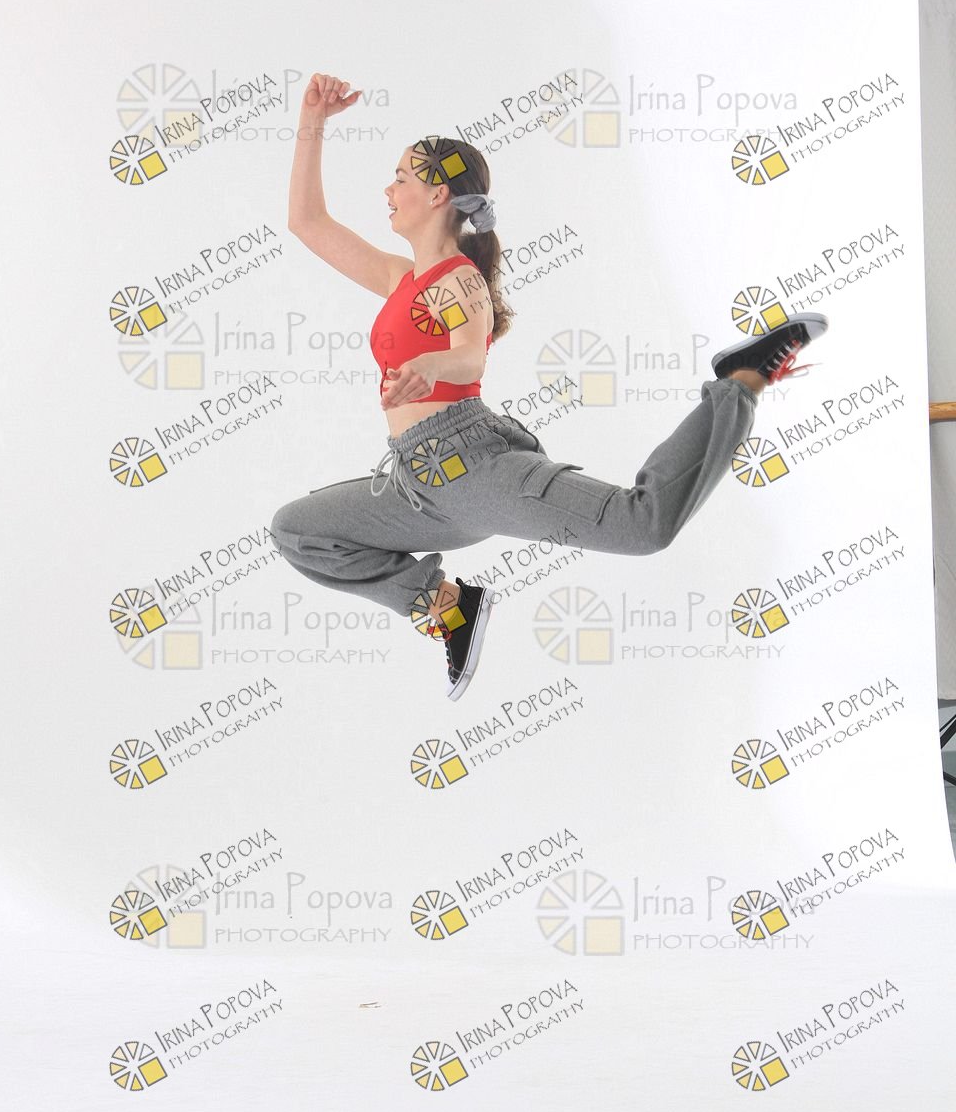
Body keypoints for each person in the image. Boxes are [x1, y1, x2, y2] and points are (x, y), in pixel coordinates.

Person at [271, 72, 828, 700]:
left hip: (470, 469)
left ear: (438, 193)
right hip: (415, 485)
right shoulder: (402, 278)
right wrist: (312, 121)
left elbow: (469, 356)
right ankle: (448, 607)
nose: (388, 190)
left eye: (401, 177)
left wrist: (431, 367)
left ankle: (740, 383)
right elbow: (307, 222)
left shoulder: (458, 280)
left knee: (643, 525)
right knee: (297, 530)